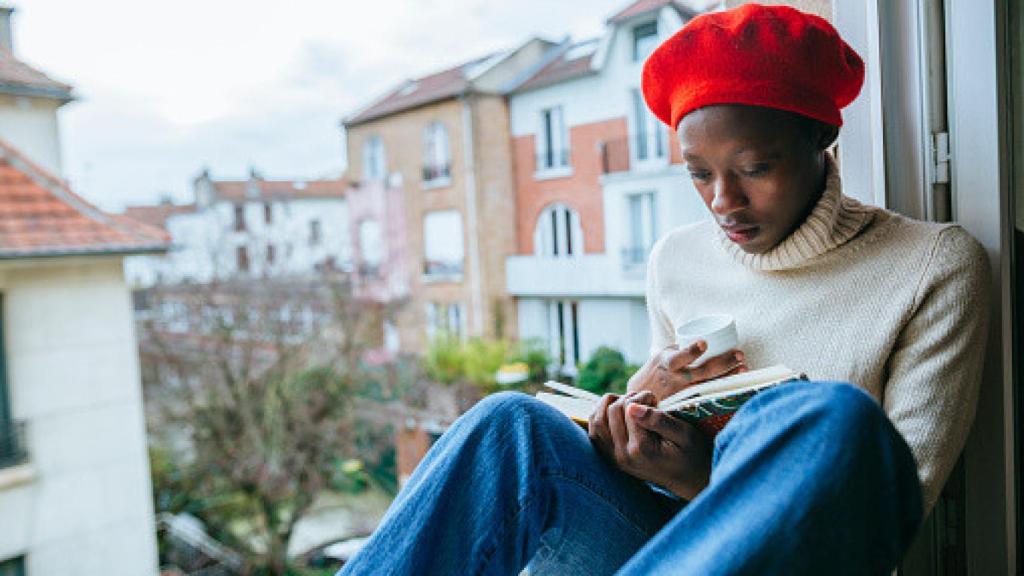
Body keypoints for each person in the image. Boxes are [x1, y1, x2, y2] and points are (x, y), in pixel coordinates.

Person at [339, 4, 990, 575]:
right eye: (698, 174)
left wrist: (700, 475)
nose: (723, 201)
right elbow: (656, 486)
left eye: (754, 169)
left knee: (825, 419)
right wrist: (634, 435)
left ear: (822, 136)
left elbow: (885, 512)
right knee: (510, 423)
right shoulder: (676, 259)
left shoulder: (932, 267)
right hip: (665, 548)